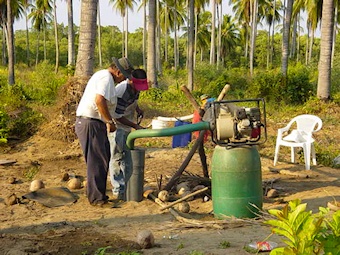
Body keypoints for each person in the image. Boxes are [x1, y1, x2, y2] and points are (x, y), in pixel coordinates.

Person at [75, 61, 125, 206]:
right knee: (97, 161)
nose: (123, 80)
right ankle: (97, 199)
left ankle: (98, 195)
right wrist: (109, 121)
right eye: (123, 76)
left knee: (102, 159)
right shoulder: (105, 77)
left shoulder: (105, 78)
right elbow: (99, 100)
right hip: (91, 123)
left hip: (94, 123)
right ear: (118, 72)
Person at [108, 65, 149, 201]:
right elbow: (117, 116)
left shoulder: (134, 88)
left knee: (127, 157)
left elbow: (133, 100)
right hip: (118, 127)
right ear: (131, 80)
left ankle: (126, 187)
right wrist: (135, 126)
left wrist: (138, 109)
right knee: (117, 158)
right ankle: (117, 191)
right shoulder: (122, 91)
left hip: (127, 126)